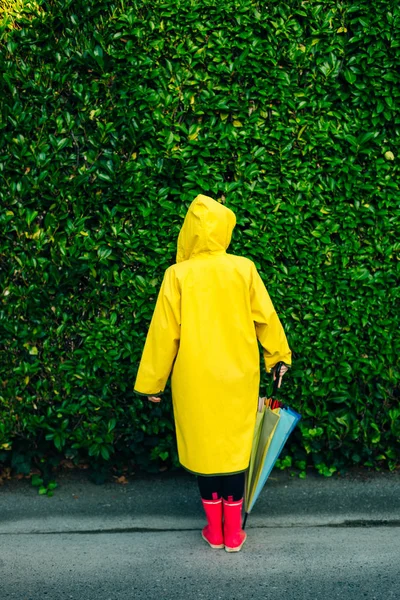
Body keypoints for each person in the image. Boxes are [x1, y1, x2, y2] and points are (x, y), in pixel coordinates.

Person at [134, 194, 292, 552]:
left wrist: (151, 382)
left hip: (195, 378)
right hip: (239, 376)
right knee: (235, 452)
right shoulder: (244, 268)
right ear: (225, 230)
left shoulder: (177, 275)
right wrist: (278, 358)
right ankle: (234, 534)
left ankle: (215, 531)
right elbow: (266, 318)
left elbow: (164, 333)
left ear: (189, 231)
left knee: (206, 453)